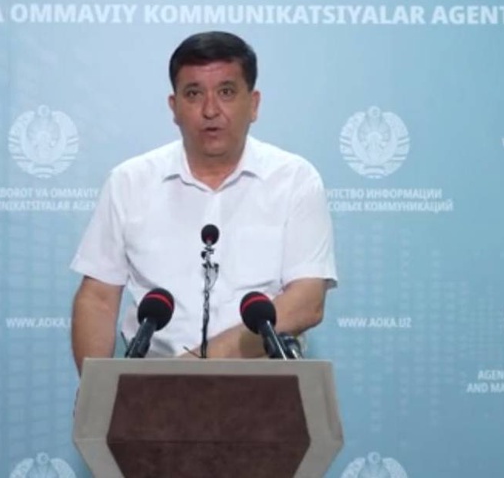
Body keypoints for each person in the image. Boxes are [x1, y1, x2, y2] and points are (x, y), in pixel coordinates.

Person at [69, 31, 337, 374]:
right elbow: (98, 299)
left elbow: (307, 301)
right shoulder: (129, 182)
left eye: (226, 92)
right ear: (174, 107)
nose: (210, 110)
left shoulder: (295, 179)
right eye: (194, 94)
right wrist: (98, 390)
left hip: (264, 382)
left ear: (253, 104)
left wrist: (189, 371)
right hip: (152, 385)